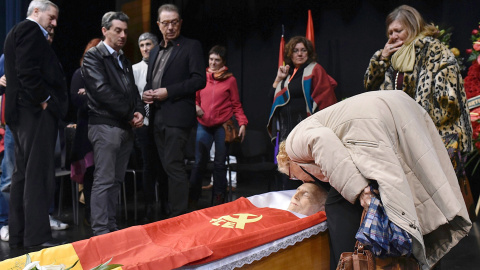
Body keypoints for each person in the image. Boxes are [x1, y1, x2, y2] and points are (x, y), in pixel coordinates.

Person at [276, 90, 471, 269]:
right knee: (411, 200)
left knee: (337, 203)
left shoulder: (294, 145)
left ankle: (349, 264)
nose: (299, 181)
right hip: (403, 107)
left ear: (292, 162)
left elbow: (322, 141)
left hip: (380, 118)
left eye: (293, 175)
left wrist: (360, 189)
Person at [364, 5, 474, 218]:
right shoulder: (393, 58)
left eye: (399, 30)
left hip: (438, 134)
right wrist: (382, 57)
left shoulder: (433, 50)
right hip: (406, 137)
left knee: (443, 203)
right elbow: (369, 85)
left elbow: (448, 99)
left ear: (412, 27)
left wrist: (418, 123)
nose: (394, 36)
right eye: (390, 33)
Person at [4, 0, 68, 249]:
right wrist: (44, 99)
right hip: (34, 114)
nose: (54, 24)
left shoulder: (16, 31)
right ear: (36, 11)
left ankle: (20, 235)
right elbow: (27, 71)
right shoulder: (31, 30)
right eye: (51, 17)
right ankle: (37, 237)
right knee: (37, 176)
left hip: (22, 114)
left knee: (22, 175)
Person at [82, 11, 145, 236]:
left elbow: (133, 92)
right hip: (105, 125)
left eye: (125, 31)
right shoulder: (93, 57)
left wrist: (139, 111)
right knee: (104, 180)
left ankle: (110, 227)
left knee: (116, 181)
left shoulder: (123, 59)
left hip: (124, 126)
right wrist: (131, 113)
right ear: (104, 30)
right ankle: (101, 231)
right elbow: (102, 92)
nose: (123, 35)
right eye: (117, 30)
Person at [143, 4, 206, 217]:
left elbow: (199, 80)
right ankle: (167, 213)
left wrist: (168, 92)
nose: (170, 27)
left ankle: (179, 216)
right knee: (164, 167)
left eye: (174, 22)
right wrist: (146, 93)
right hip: (157, 116)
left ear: (180, 23)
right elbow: (150, 81)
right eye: (166, 23)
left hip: (178, 116)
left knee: (174, 166)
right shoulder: (154, 52)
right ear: (158, 25)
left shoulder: (191, 46)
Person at [267, 36, 337, 190]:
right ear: (290, 54)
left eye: (303, 50)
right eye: (295, 51)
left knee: (305, 176)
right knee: (288, 177)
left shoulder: (314, 69)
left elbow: (326, 100)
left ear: (309, 53)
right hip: (286, 132)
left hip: (304, 132)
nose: (299, 54)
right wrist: (279, 78)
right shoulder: (289, 74)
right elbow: (271, 99)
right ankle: (291, 210)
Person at [189, 45, 248, 206]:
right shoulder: (201, 77)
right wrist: (195, 107)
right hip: (204, 124)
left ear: (223, 62)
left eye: (217, 60)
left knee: (220, 163)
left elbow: (236, 104)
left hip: (222, 125)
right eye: (211, 59)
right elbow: (193, 98)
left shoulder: (230, 80)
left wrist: (242, 123)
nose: (213, 63)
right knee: (200, 161)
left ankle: (218, 201)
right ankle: (192, 199)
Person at [132, 32, 170, 220]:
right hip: (144, 122)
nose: (145, 48)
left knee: (164, 164)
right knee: (149, 165)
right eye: (142, 45)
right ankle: (148, 205)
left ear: (156, 46)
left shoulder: (163, 65)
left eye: (149, 44)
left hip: (162, 120)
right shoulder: (135, 68)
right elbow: (133, 95)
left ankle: (165, 203)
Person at [70, 38, 101, 226]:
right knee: (91, 173)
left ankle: (102, 213)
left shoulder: (107, 74)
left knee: (103, 174)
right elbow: (77, 101)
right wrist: (99, 98)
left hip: (105, 128)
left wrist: (90, 94)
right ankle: (90, 214)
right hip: (87, 131)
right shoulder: (79, 73)